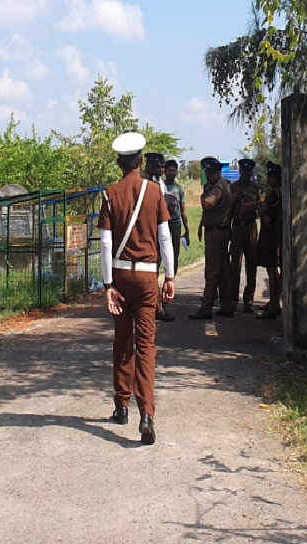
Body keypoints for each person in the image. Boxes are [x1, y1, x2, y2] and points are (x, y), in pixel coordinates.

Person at [100, 132, 176, 445]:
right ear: (141, 161)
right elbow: (165, 238)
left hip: (119, 277)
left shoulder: (109, 194)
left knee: (122, 342)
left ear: (119, 162)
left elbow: (105, 243)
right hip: (147, 279)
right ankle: (146, 413)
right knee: (146, 346)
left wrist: (107, 285)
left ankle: (121, 406)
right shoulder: (156, 192)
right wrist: (169, 276)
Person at [190, 156, 233, 320]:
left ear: (216, 172)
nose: (207, 175)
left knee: (212, 271)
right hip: (219, 231)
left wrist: (203, 195)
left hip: (216, 233)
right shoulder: (223, 185)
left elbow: (207, 204)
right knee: (222, 271)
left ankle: (206, 307)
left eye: (209, 172)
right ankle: (227, 305)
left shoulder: (217, 188)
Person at [227, 158, 262, 314]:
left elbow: (260, 209)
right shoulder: (233, 188)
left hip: (250, 227)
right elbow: (228, 210)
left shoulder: (256, 189)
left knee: (251, 265)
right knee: (234, 266)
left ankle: (248, 301)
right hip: (237, 227)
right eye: (243, 170)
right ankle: (233, 300)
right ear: (240, 171)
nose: (246, 173)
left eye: (249, 171)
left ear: (251, 172)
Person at [144, 152, 175, 323]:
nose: (159, 169)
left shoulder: (159, 182)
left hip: (159, 228)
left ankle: (156, 305)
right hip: (148, 232)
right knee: (151, 270)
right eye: (155, 166)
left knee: (154, 269)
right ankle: (156, 307)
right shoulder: (145, 182)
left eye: (160, 166)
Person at [256, 162, 284, 319]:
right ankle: (273, 303)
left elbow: (261, 211)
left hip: (271, 234)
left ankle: (273, 304)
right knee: (274, 270)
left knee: (272, 270)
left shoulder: (274, 193)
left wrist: (259, 204)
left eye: (271, 176)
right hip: (276, 232)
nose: (268, 179)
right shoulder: (282, 192)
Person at [162, 159, 190, 273]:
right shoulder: (160, 186)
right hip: (163, 223)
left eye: (174, 171)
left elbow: (183, 210)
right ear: (165, 171)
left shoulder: (179, 188)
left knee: (174, 252)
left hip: (175, 224)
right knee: (161, 251)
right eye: (169, 170)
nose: (171, 173)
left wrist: (187, 229)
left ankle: (171, 278)